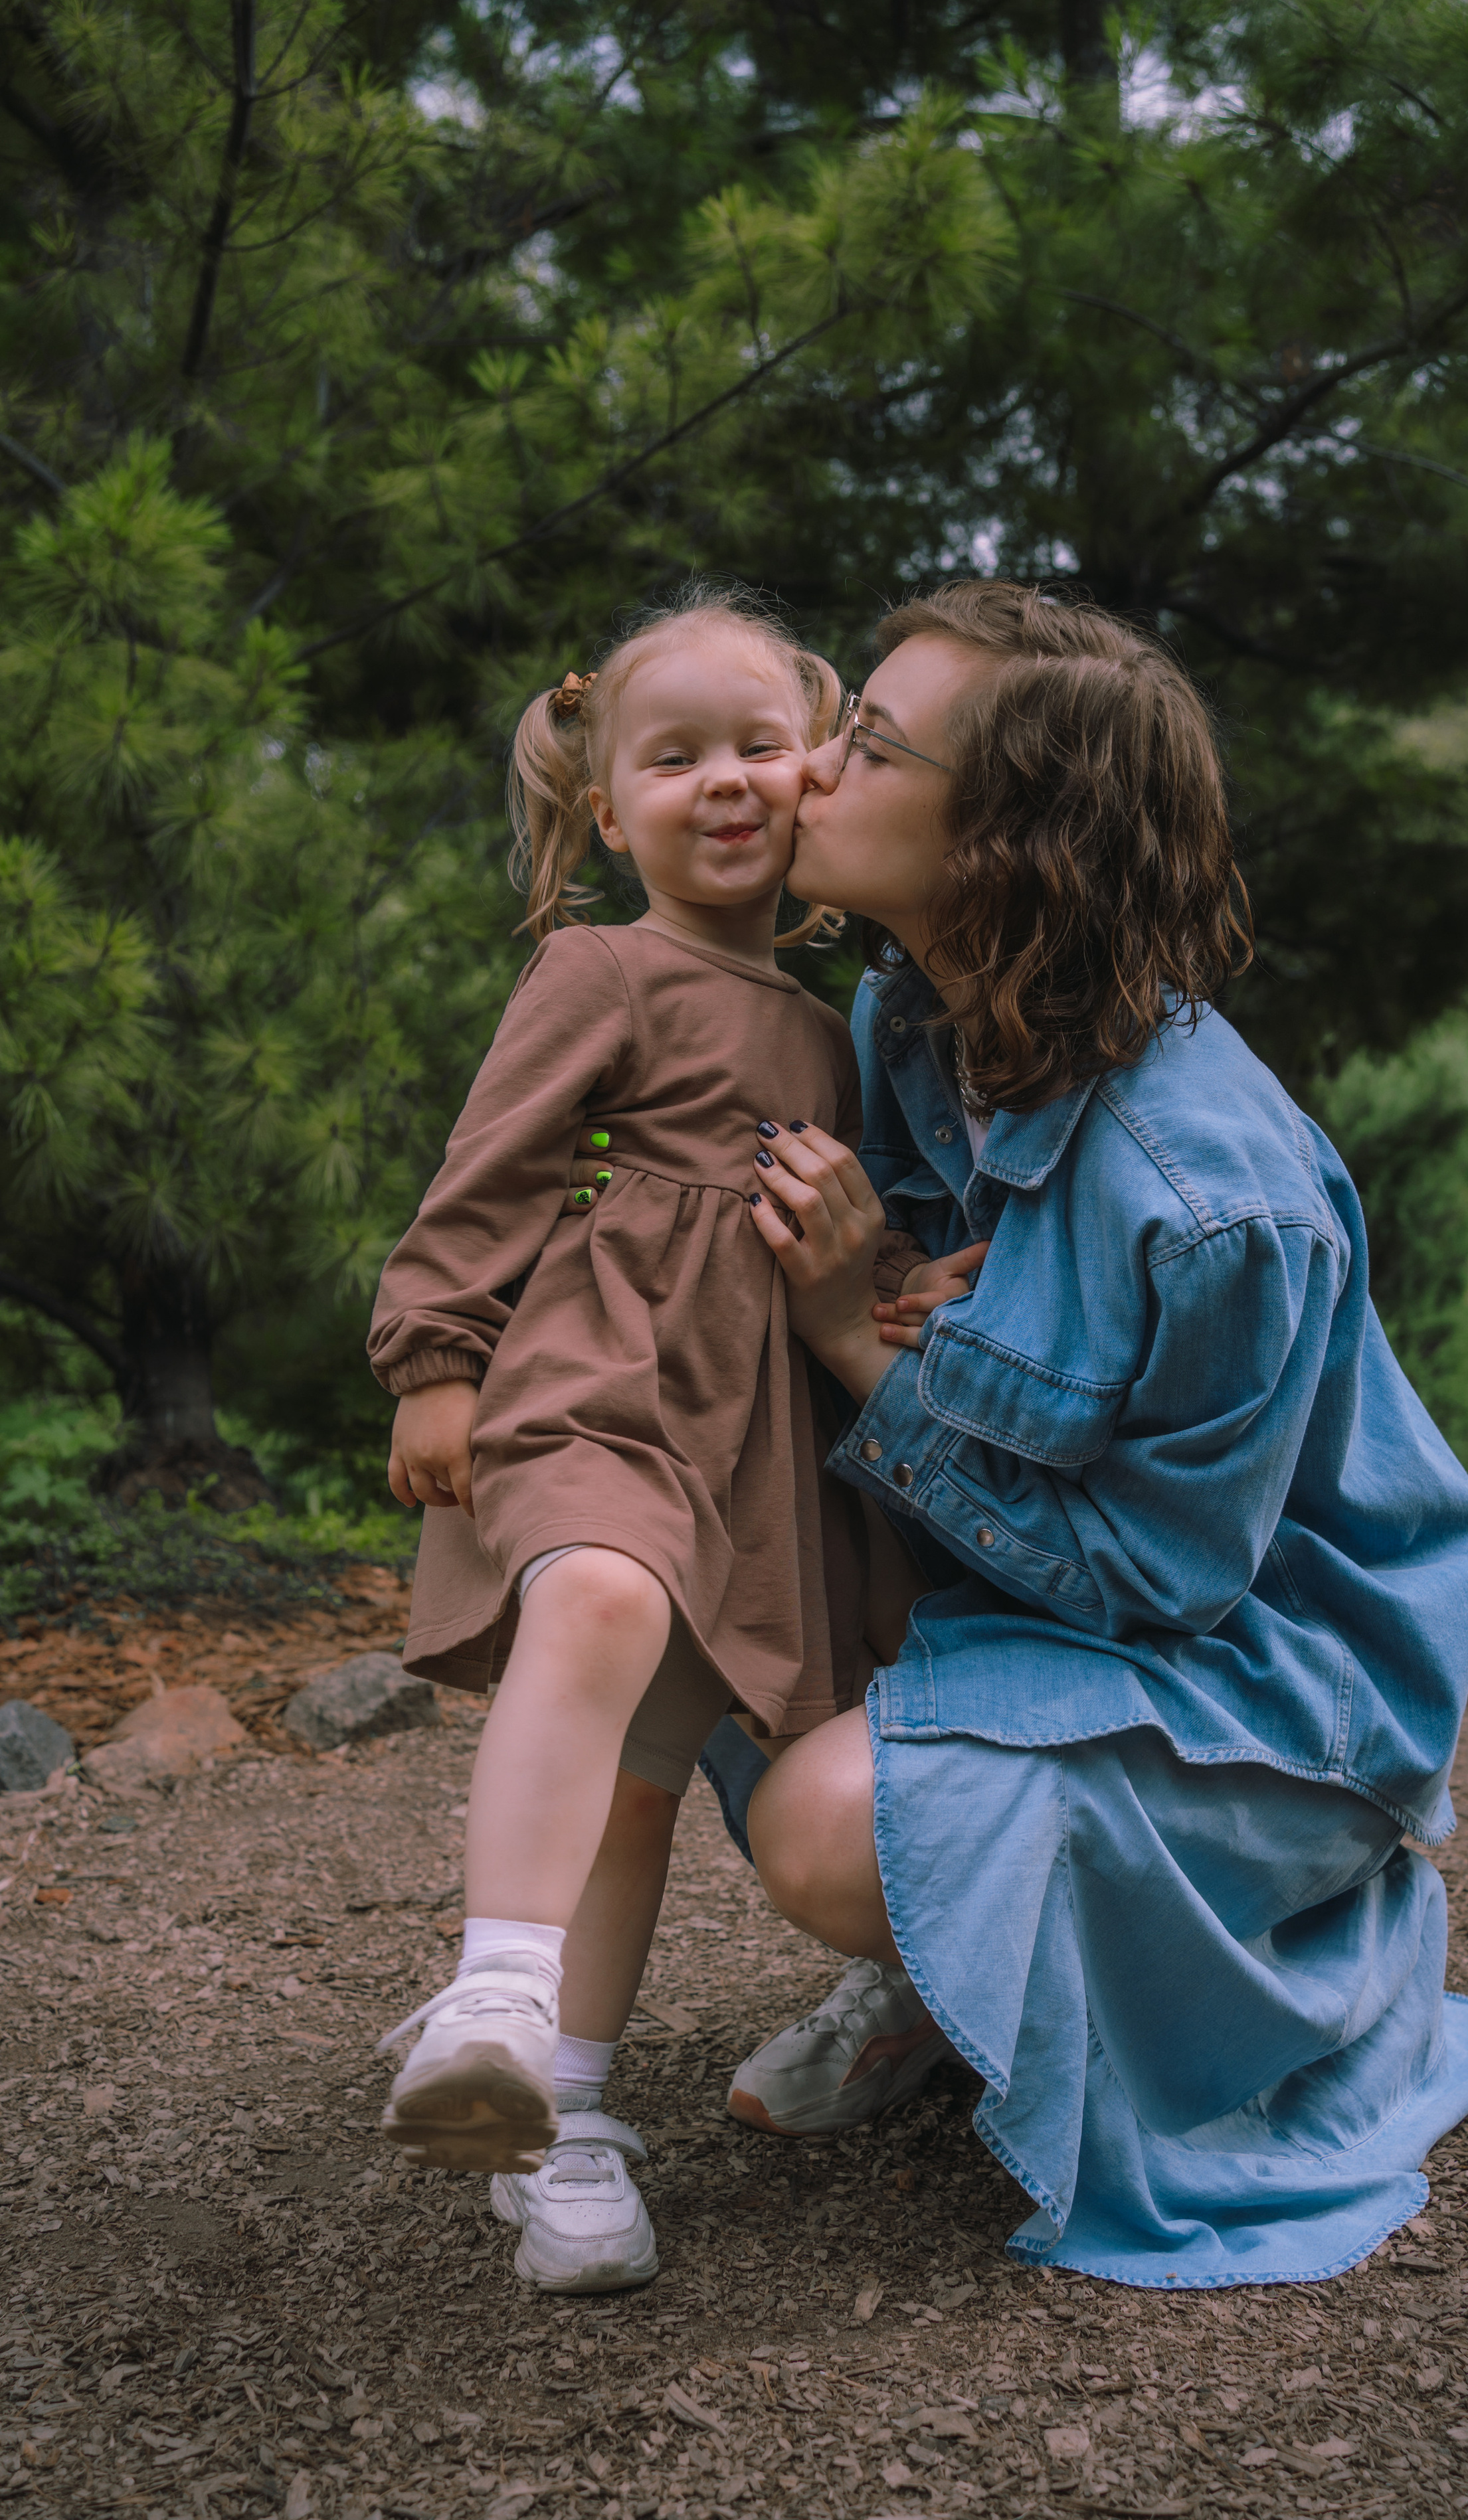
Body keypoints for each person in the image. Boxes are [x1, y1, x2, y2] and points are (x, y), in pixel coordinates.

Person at [704, 582, 1468, 2288]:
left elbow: (1160, 1588)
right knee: (687, 1591)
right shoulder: (910, 1021)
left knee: (821, 1824)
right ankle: (975, 1948)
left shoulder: (1209, 1198)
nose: (808, 769)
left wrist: (859, 1334)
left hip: (1265, 1686)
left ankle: (1292, 1941)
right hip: (1057, 1602)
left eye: (867, 743)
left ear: (1004, 844)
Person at [365, 586, 967, 2294]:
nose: (721, 781)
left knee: (636, 1794)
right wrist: (433, 1355)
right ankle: (490, 1984)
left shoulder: (834, 1026)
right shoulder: (598, 966)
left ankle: (546, 2108)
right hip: (596, 1384)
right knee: (604, 1607)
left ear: (817, 778)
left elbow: (813, 1227)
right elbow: (487, 1172)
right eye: (672, 755)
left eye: (758, 747)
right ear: (605, 803)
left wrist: (916, 1278)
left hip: (738, 1449)